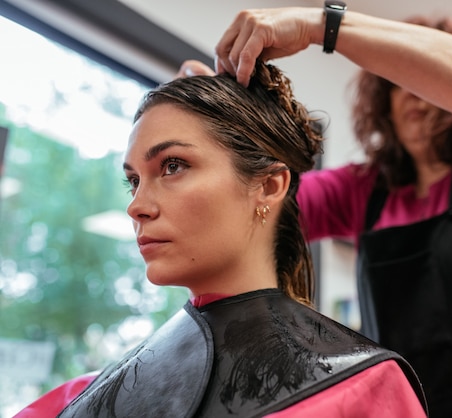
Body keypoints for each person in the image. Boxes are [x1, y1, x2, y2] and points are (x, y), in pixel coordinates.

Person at [178, 4, 452, 418]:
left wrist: (317, 24)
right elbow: (262, 202)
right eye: (400, 83)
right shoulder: (364, 190)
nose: (415, 93)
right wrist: (213, 130)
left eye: (430, 79)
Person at [14, 62, 428, 417]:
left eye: (173, 165)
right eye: (133, 181)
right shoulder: (84, 393)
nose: (136, 206)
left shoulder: (359, 387)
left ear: (269, 186)